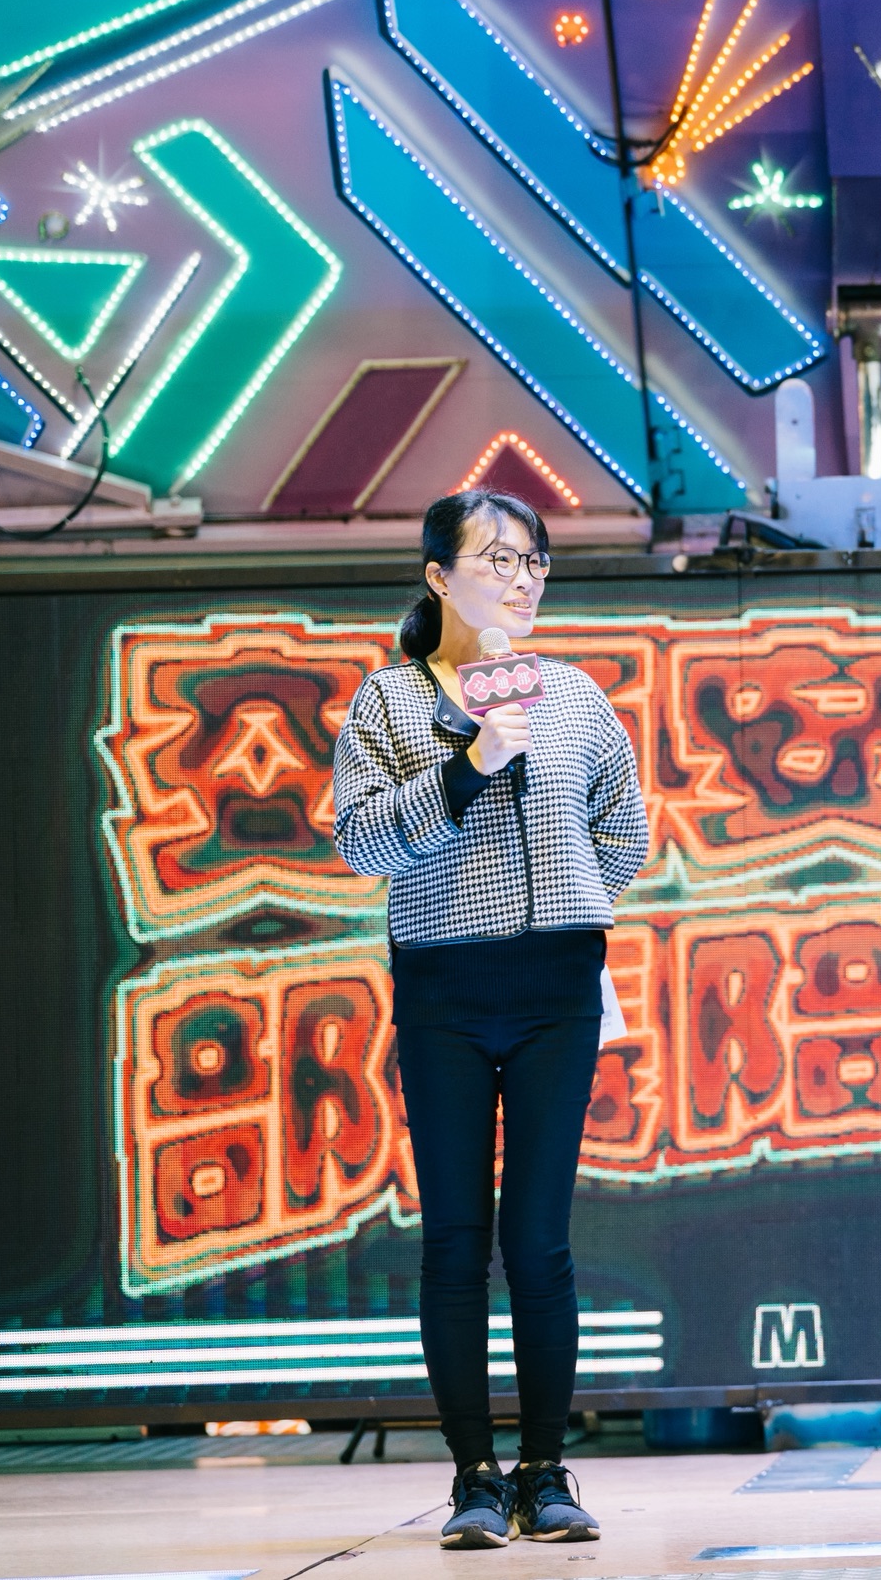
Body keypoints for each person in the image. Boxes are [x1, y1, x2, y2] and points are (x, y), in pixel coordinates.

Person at [332, 490, 646, 1549]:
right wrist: (465, 767)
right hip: (445, 990)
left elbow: (625, 829)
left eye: (535, 562)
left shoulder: (574, 696)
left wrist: (569, 906)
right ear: (438, 576)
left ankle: (546, 1469)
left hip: (557, 987)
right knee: (457, 1239)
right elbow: (362, 843)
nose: (522, 580)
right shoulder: (388, 702)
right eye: (499, 560)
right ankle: (474, 1474)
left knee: (539, 1238)